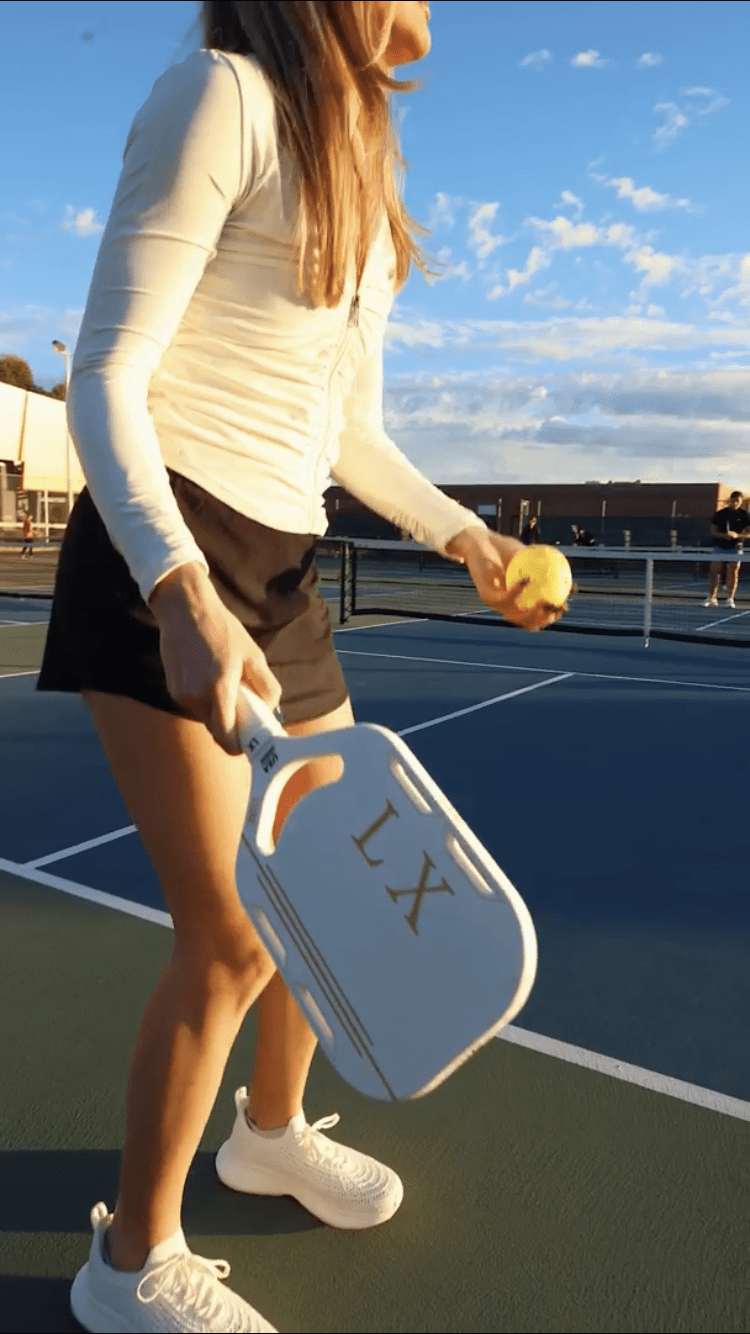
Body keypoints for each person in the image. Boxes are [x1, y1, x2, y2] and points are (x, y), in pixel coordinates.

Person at [37, 5, 562, 1331]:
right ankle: (127, 1263)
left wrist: (469, 538)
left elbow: (347, 432)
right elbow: (105, 374)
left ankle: (267, 1134)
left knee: (321, 885)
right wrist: (176, 590)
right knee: (229, 937)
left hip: (280, 570)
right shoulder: (218, 96)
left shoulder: (364, 177)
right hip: (164, 546)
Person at [703, 490, 749, 609]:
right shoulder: (720, 514)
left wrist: (737, 535)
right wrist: (724, 536)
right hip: (719, 547)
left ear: (741, 501)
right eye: (732, 500)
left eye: (737, 501)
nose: (734, 503)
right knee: (714, 570)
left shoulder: (745, 515)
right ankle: (711, 597)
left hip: (736, 548)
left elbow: (748, 534)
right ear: (729, 500)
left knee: (733, 572)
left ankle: (730, 599)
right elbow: (713, 532)